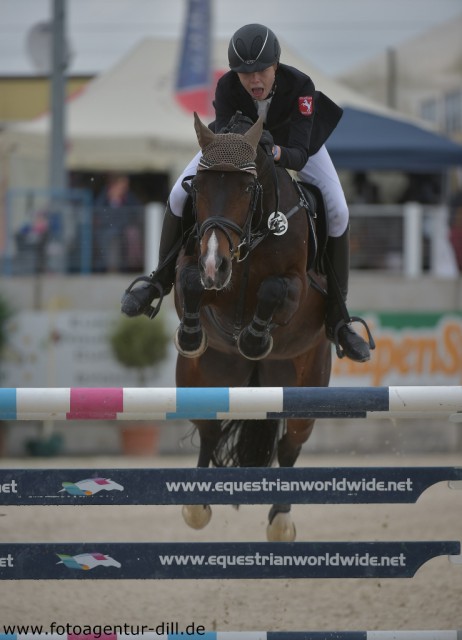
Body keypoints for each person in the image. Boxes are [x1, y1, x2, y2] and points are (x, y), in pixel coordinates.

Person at [122, 23, 371, 362]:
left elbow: (299, 153)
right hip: (236, 148)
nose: (254, 81)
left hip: (293, 146)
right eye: (245, 73)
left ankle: (339, 319)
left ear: (276, 65)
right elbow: (226, 142)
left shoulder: (301, 87)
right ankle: (157, 283)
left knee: (339, 209)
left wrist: (274, 152)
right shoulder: (227, 86)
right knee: (179, 194)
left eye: (261, 72)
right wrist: (254, 149)